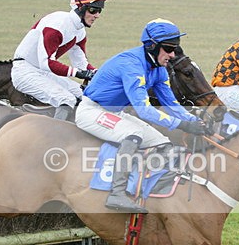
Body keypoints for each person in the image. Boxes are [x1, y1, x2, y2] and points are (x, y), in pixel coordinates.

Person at [75, 18, 209, 214]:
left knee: (163, 144)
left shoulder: (159, 70)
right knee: (133, 134)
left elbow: (171, 104)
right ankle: (117, 194)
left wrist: (194, 121)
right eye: (169, 49)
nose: (172, 55)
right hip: (91, 111)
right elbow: (144, 110)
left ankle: (143, 188)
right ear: (153, 46)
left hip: (114, 111)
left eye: (175, 49)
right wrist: (182, 125)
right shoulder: (132, 65)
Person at [12, 0, 108, 120]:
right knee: (66, 99)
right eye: (93, 10)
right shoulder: (57, 25)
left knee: (86, 96)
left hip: (43, 72)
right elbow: (46, 62)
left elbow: (82, 64)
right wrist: (78, 73)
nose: (97, 15)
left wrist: (101, 73)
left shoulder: (80, 31)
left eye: (99, 11)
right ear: (80, 8)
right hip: (25, 71)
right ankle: (54, 138)